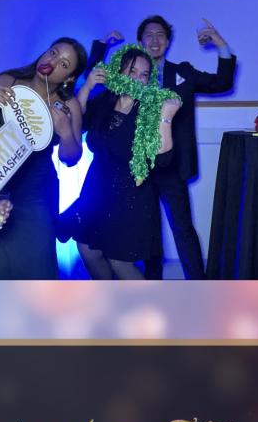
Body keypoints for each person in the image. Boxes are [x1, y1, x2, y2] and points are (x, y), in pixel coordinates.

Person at [88, 16, 236, 279]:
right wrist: (101, 45)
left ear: (167, 41)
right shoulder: (126, 76)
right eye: (149, 35)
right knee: (147, 233)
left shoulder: (183, 73)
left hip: (171, 167)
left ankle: (199, 284)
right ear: (140, 41)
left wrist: (221, 45)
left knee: (182, 228)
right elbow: (94, 80)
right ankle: (153, 283)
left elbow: (222, 82)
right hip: (133, 172)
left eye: (160, 35)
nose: (154, 40)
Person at [0, 38, 87, 279]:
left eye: (64, 64)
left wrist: (66, 133)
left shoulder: (69, 105)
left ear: (69, 78)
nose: (52, 62)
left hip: (37, 194)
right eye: (53, 52)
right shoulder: (8, 81)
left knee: (37, 269)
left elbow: (72, 158)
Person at [70, 46, 181, 279]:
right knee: (88, 250)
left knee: (119, 261)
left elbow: (163, 159)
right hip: (96, 187)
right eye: (132, 71)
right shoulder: (104, 101)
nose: (138, 79)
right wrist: (87, 86)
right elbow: (78, 123)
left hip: (131, 195)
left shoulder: (150, 109)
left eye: (144, 74)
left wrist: (166, 118)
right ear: (118, 71)